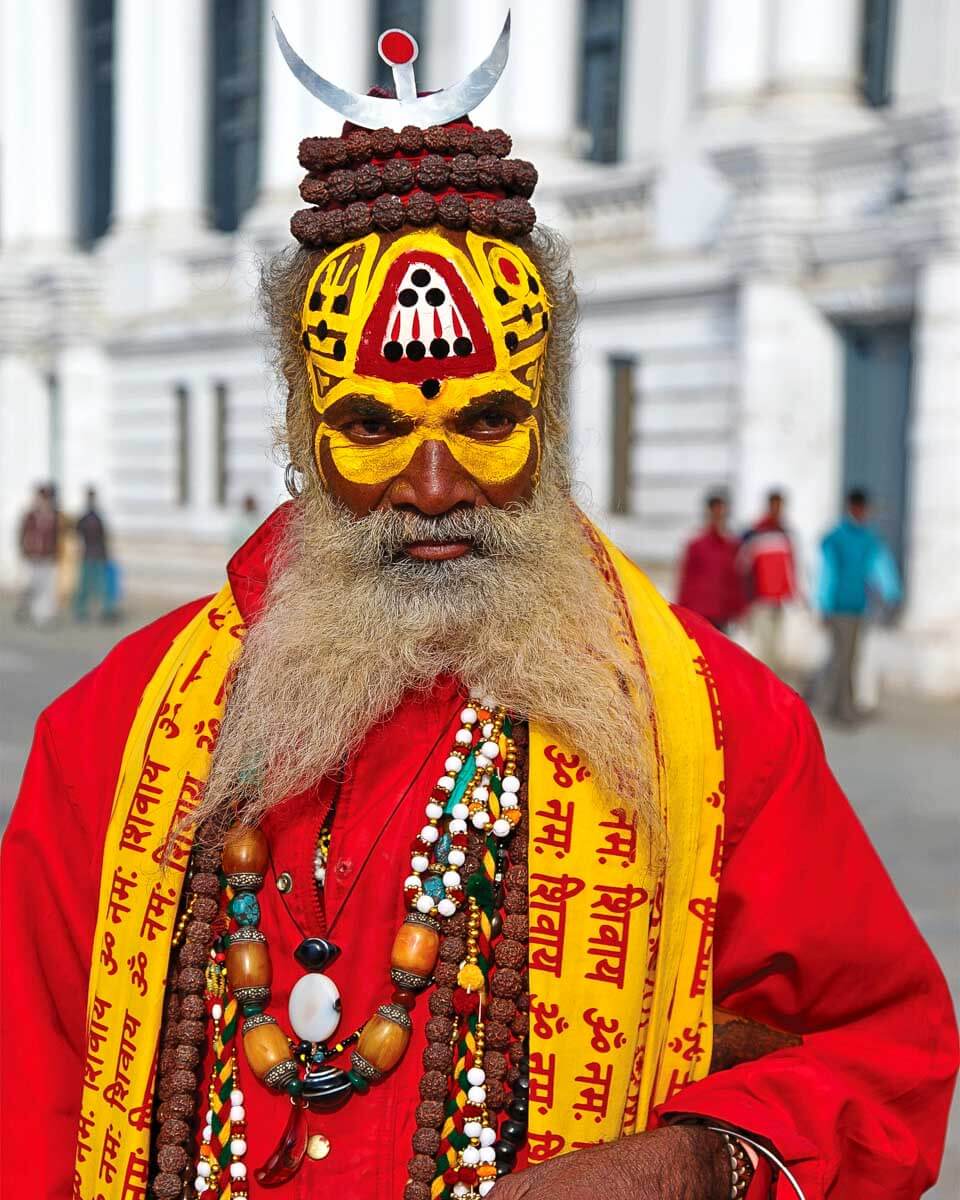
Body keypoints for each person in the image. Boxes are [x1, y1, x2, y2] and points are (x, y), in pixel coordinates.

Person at [2, 23, 956, 1200]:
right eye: (371, 427)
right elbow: (26, 1100)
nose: (436, 484)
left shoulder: (718, 731)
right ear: (303, 439)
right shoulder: (109, 734)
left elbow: (883, 1050)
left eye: (489, 423)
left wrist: (692, 1166)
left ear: (547, 427)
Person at [811, 488, 902, 725]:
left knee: (850, 658)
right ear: (851, 508)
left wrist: (891, 594)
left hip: (859, 607)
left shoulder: (869, 539)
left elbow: (879, 568)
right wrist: (822, 604)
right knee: (843, 658)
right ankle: (841, 707)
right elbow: (826, 574)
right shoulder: (836, 539)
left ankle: (837, 703)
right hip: (838, 607)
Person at [739, 490, 798, 675]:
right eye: (774, 505)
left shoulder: (785, 534)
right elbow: (742, 568)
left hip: (778, 602)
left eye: (780, 506)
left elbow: (791, 566)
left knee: (775, 651)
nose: (777, 510)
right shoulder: (753, 533)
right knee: (760, 651)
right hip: (759, 601)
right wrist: (745, 602)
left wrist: (793, 593)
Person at [676, 492, 745, 632]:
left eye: (722, 511)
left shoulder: (732, 545)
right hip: (700, 611)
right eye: (716, 510)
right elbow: (686, 579)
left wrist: (739, 610)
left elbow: (735, 580)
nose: (719, 515)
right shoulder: (697, 544)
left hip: (723, 612)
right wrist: (681, 611)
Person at [16, 482, 59, 626]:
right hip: (32, 555)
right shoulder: (30, 515)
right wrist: (23, 549)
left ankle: (42, 616)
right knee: (31, 584)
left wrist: (55, 552)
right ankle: (25, 605)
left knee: (46, 587)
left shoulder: (54, 516)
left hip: (47, 556)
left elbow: (57, 536)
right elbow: (22, 533)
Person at [73, 486, 116, 621]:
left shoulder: (95, 517)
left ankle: (103, 611)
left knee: (100, 586)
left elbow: (103, 537)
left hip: (96, 555)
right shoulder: (87, 517)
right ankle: (82, 611)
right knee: (86, 586)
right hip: (89, 555)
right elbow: (77, 534)